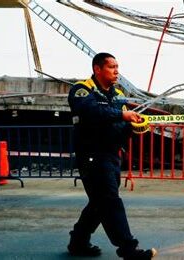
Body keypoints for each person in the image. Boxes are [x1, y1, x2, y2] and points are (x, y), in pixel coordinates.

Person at [67, 52, 157, 259]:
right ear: (97, 69)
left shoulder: (117, 95)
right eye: (111, 67)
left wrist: (134, 127)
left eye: (117, 67)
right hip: (92, 156)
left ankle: (78, 241)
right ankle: (128, 249)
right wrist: (121, 114)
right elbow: (91, 113)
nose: (116, 71)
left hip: (112, 155)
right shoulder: (82, 90)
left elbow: (121, 124)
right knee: (109, 200)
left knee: (100, 202)